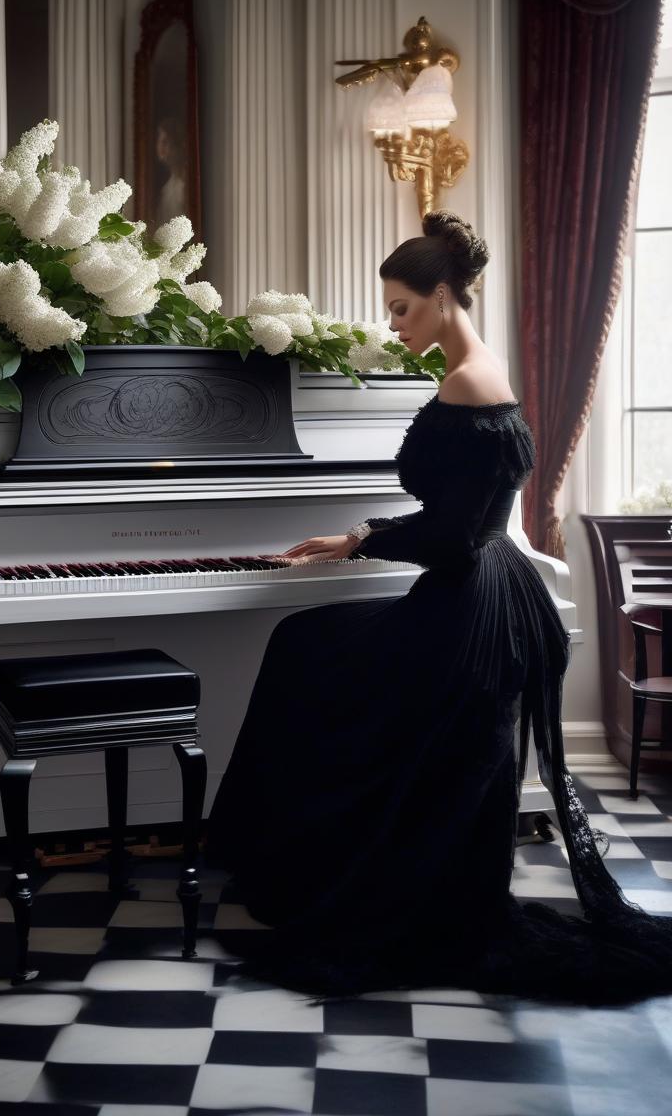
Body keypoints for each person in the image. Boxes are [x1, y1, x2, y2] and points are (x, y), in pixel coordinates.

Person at [206, 210, 672, 1004]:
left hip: (471, 605)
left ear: (444, 296)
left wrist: (362, 540)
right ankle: (319, 852)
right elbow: (466, 519)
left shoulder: (464, 382)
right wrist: (361, 533)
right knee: (309, 645)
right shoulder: (481, 368)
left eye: (401, 307)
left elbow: (456, 538)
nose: (393, 323)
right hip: (489, 592)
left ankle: (313, 864)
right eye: (390, 308)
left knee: (306, 649)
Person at [153, 115, 188, 225]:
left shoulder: (186, 184)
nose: (160, 147)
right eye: (160, 141)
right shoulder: (169, 185)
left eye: (165, 142)